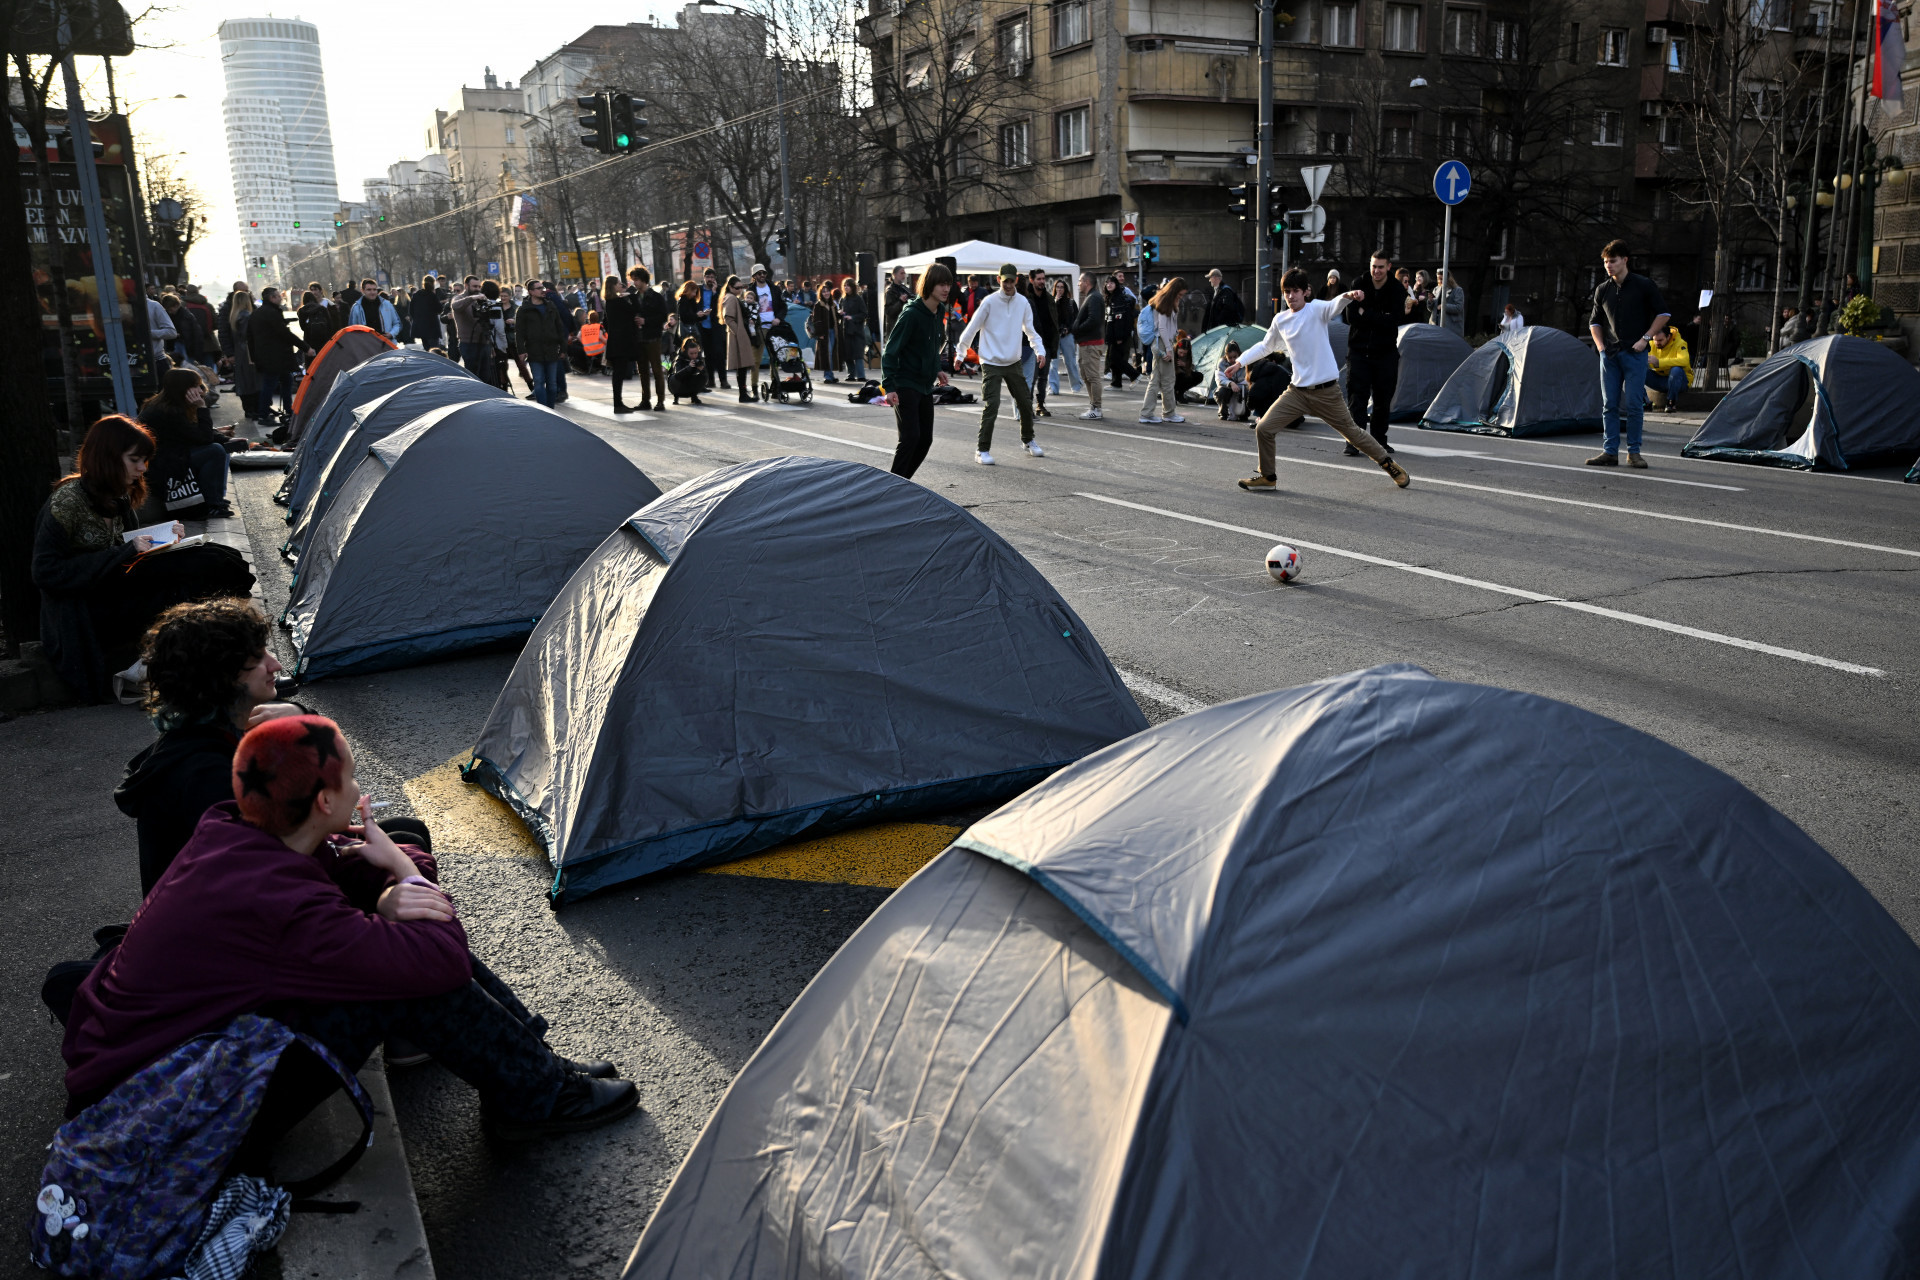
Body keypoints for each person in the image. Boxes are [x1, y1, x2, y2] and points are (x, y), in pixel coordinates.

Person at [65, 714, 639, 1143]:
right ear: (321, 801)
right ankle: (535, 1095)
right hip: (159, 1113)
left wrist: (391, 885)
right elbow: (436, 957)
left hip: (159, 1067)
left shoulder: (232, 831)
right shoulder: (279, 902)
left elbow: (342, 877)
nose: (363, 795)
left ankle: (536, 1071)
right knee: (400, 980)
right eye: (352, 782)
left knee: (398, 944)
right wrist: (404, 870)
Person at [31, 416, 254, 703]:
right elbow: (46, 573)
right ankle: (224, 669)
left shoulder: (116, 495)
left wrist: (161, 537)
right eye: (135, 459)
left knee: (222, 559)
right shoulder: (66, 504)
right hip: (83, 607)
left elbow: (123, 546)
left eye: (144, 460)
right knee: (196, 578)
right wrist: (126, 551)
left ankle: (230, 663)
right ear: (108, 457)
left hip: (117, 585)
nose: (142, 468)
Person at [117, 598, 310, 893]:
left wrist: (301, 717)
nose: (276, 665)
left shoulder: (212, 733)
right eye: (257, 658)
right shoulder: (207, 774)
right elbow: (266, 874)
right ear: (221, 677)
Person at [1224, 266, 1414, 494]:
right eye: (1287, 292)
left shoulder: (1316, 310)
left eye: (1295, 291)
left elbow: (1335, 305)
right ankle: (1268, 476)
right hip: (1297, 392)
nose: (1291, 296)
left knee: (1354, 433)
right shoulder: (1281, 320)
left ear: (1306, 291)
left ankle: (1388, 464)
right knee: (1264, 428)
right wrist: (1240, 362)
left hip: (1326, 392)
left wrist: (1349, 296)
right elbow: (1266, 346)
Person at [1586, 238, 1669, 469]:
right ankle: (1609, 451)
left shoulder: (1644, 285)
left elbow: (1663, 314)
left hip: (1635, 353)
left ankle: (1634, 452)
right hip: (1609, 355)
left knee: (1633, 404)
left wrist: (1646, 338)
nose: (1608, 266)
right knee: (1609, 405)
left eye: (1612, 261)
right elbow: (1594, 322)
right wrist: (1601, 347)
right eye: (1605, 262)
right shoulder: (1602, 289)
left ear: (1625, 260)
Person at [955, 263, 1048, 466]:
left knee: (1024, 401)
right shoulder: (989, 302)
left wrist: (1040, 351)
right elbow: (972, 328)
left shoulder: (1023, 302)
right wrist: (961, 353)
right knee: (992, 405)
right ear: (999, 280)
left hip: (1013, 361)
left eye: (1011, 281)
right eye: (1004, 281)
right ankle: (982, 449)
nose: (1007, 284)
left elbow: (1030, 330)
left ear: (1016, 281)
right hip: (991, 361)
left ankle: (1028, 439)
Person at [878, 262, 955, 479]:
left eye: (948, 284)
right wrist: (889, 386)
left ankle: (903, 482)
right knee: (910, 437)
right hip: (905, 382)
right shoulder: (911, 314)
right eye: (941, 284)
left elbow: (932, 345)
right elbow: (891, 351)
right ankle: (892, 485)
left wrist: (937, 368)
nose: (946, 289)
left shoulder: (938, 311)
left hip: (924, 384)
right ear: (929, 284)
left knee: (925, 440)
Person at [137, 368, 235, 519]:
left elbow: (192, 432)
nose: (201, 390)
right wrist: (202, 408)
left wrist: (225, 438)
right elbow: (203, 438)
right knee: (215, 450)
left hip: (172, 456)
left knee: (221, 447)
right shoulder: (167, 412)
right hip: (164, 466)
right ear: (183, 389)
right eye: (196, 386)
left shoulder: (168, 404)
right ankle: (213, 503)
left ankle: (215, 498)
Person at [1344, 251, 1415, 456]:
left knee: (1383, 400)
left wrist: (1366, 313)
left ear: (1389, 267)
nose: (1376, 271)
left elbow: (1393, 321)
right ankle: (1354, 442)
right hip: (1358, 351)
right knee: (1357, 399)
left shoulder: (1396, 290)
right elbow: (1351, 317)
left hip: (1385, 353)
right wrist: (1378, 317)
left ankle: (1379, 442)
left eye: (1381, 267)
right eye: (1374, 266)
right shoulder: (1358, 283)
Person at [247, 287, 303, 423]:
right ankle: (264, 414)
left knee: (286, 380)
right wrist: (305, 347)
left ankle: (288, 409)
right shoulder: (271, 313)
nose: (281, 298)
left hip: (269, 356)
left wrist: (253, 357)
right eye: (278, 296)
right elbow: (284, 334)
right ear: (272, 298)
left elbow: (250, 337)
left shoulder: (257, 313)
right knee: (270, 384)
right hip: (275, 357)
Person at [1139, 276, 1189, 424]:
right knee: (1167, 380)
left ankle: (1147, 413)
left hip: (1163, 342)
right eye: (1180, 294)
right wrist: (1168, 349)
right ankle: (1168, 413)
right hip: (1163, 343)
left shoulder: (1166, 300)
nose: (1181, 297)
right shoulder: (1166, 302)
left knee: (1156, 380)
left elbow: (1170, 327)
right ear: (1174, 291)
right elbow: (1162, 327)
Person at [513, 280, 567, 408]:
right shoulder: (524, 310)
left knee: (553, 385)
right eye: (538, 288)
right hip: (534, 350)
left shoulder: (550, 306)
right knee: (538, 382)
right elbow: (519, 332)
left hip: (552, 350)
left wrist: (563, 348)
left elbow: (559, 327)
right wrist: (521, 350)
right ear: (531, 292)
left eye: (542, 287)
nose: (542, 290)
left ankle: (551, 410)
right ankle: (545, 410)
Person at [630, 266, 671, 411]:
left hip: (653, 337)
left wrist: (645, 321)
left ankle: (660, 400)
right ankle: (645, 400)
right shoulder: (633, 297)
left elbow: (662, 316)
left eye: (636, 280)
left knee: (656, 369)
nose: (634, 283)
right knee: (642, 371)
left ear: (643, 280)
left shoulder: (656, 296)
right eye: (633, 280)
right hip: (639, 338)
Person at [600, 274, 641, 413]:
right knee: (618, 374)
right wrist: (632, 296)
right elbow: (635, 310)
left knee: (618, 374)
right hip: (622, 342)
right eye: (618, 283)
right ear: (612, 286)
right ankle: (618, 404)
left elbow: (605, 322)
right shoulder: (618, 301)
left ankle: (618, 403)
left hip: (615, 341)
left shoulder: (609, 302)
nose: (621, 285)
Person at [1071, 272, 1107, 419]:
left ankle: (1096, 408)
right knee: (1086, 376)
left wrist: (1077, 329)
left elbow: (1094, 320)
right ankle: (1094, 405)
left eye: (1080, 281)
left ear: (1086, 282)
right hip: (1086, 343)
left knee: (1092, 376)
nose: (1078, 284)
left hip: (1091, 344)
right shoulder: (1091, 297)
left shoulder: (1094, 298)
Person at [720, 274, 761, 403]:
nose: (740, 290)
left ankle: (743, 393)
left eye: (741, 288)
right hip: (738, 336)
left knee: (742, 366)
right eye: (737, 288)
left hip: (741, 334)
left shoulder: (733, 297)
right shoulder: (731, 298)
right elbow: (728, 318)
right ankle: (742, 394)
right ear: (731, 287)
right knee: (741, 366)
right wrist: (738, 332)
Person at [1023, 271, 1058, 418]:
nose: (1042, 282)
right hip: (1032, 344)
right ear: (1031, 280)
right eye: (1039, 279)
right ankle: (1027, 407)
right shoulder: (1026, 298)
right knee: (1032, 377)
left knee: (1044, 377)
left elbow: (1054, 319)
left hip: (1047, 343)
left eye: (1043, 279)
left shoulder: (1048, 298)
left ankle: (1040, 405)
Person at [226, 288, 263, 422]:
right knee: (252, 380)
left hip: (239, 350)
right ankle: (254, 409)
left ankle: (248, 409)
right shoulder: (246, 315)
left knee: (243, 380)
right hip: (248, 350)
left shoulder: (234, 316)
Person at [450, 276, 491, 381]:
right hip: (468, 343)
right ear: (466, 286)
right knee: (473, 376)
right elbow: (455, 306)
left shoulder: (481, 299)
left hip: (484, 342)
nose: (477, 289)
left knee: (486, 376)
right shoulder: (459, 298)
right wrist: (472, 298)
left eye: (479, 286)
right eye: (474, 286)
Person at [1645, 323, 1690, 412]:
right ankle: (1645, 402)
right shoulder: (1650, 344)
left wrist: (1659, 362)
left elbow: (1684, 360)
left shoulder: (1680, 343)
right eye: (1655, 340)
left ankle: (1671, 403)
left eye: (1660, 340)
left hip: (1680, 381)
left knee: (1676, 370)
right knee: (1637, 370)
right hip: (1661, 380)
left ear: (1668, 337)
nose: (1657, 343)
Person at [1048, 278, 1082, 395]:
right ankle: (1053, 387)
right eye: (1057, 287)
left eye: (1062, 287)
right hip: (1054, 335)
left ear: (1065, 289)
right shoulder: (1051, 302)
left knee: (1070, 362)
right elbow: (1050, 318)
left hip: (1067, 335)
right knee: (1053, 363)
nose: (1059, 290)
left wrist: (1069, 329)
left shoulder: (1071, 303)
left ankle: (1076, 385)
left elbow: (1076, 320)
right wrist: (1055, 302)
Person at [1104, 276, 1138, 389]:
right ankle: (1116, 383)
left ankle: (1134, 375)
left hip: (1119, 336)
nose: (1109, 285)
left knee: (1115, 359)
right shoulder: (1111, 297)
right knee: (1113, 359)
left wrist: (1119, 337)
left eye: (1112, 283)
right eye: (1107, 283)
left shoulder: (1117, 298)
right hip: (1113, 334)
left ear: (1116, 285)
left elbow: (1119, 319)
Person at [698, 268, 727, 390]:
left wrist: (715, 293)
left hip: (717, 326)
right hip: (703, 326)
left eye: (712, 277)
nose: (710, 280)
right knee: (708, 354)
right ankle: (710, 380)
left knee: (720, 353)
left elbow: (721, 307)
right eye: (708, 277)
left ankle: (723, 380)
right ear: (704, 278)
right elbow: (695, 304)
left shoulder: (720, 290)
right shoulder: (698, 290)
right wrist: (698, 313)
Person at [838, 282, 870, 383]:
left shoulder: (858, 299)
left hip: (857, 330)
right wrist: (840, 313)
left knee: (858, 353)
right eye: (844, 286)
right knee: (848, 353)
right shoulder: (843, 299)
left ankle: (861, 375)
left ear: (852, 287)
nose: (846, 287)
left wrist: (853, 317)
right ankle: (851, 374)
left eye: (848, 286)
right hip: (845, 329)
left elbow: (864, 313)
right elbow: (839, 312)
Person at [809, 281, 839, 383]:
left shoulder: (832, 304)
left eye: (827, 291)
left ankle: (830, 374)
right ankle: (828, 376)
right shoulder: (818, 305)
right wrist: (820, 334)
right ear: (820, 294)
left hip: (832, 332)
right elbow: (816, 321)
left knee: (831, 354)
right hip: (824, 333)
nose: (826, 293)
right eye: (823, 292)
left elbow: (834, 318)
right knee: (827, 353)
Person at [1213, 340, 1250, 421]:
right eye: (1230, 357)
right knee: (1222, 391)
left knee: (1247, 392)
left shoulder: (1245, 362)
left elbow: (1248, 379)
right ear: (1226, 356)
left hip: (1242, 388)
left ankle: (1244, 413)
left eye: (1235, 357)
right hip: (1228, 388)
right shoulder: (1221, 363)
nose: (1233, 360)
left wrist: (1240, 386)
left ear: (1239, 354)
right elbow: (1220, 379)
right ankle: (1223, 412)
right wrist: (1230, 383)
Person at [669, 335, 706, 406]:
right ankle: (676, 397)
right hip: (678, 386)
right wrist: (689, 367)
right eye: (691, 354)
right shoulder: (679, 359)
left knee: (703, 376)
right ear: (686, 352)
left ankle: (694, 395)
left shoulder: (698, 359)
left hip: (690, 385)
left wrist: (702, 370)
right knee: (674, 378)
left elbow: (705, 375)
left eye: (696, 353)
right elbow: (677, 376)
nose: (694, 356)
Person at [409, 275, 443, 350]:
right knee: (434, 350)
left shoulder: (416, 295)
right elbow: (439, 309)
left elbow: (411, 311)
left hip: (420, 327)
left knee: (426, 348)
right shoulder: (432, 295)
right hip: (432, 327)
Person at [1173, 329, 1202, 403]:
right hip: (1173, 376)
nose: (1182, 355)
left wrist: (1185, 365)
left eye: (1184, 353)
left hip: (1183, 373)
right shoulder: (1172, 353)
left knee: (1198, 376)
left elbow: (1191, 368)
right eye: (1180, 352)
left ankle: (1180, 393)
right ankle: (1174, 394)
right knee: (1181, 375)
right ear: (1177, 349)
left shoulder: (1188, 356)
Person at [883, 265, 912, 337]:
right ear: (894, 275)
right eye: (901, 273)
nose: (904, 275)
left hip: (906, 325)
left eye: (904, 273)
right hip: (895, 328)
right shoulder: (890, 291)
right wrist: (900, 301)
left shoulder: (905, 288)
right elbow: (889, 311)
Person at [1434, 271, 1466, 336]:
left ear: (1448, 279)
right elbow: (1432, 309)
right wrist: (1430, 301)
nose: (1440, 281)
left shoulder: (1457, 290)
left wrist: (1444, 306)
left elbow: (1459, 307)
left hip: (1451, 326)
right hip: (1436, 325)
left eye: (1441, 279)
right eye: (1438, 279)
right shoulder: (1436, 289)